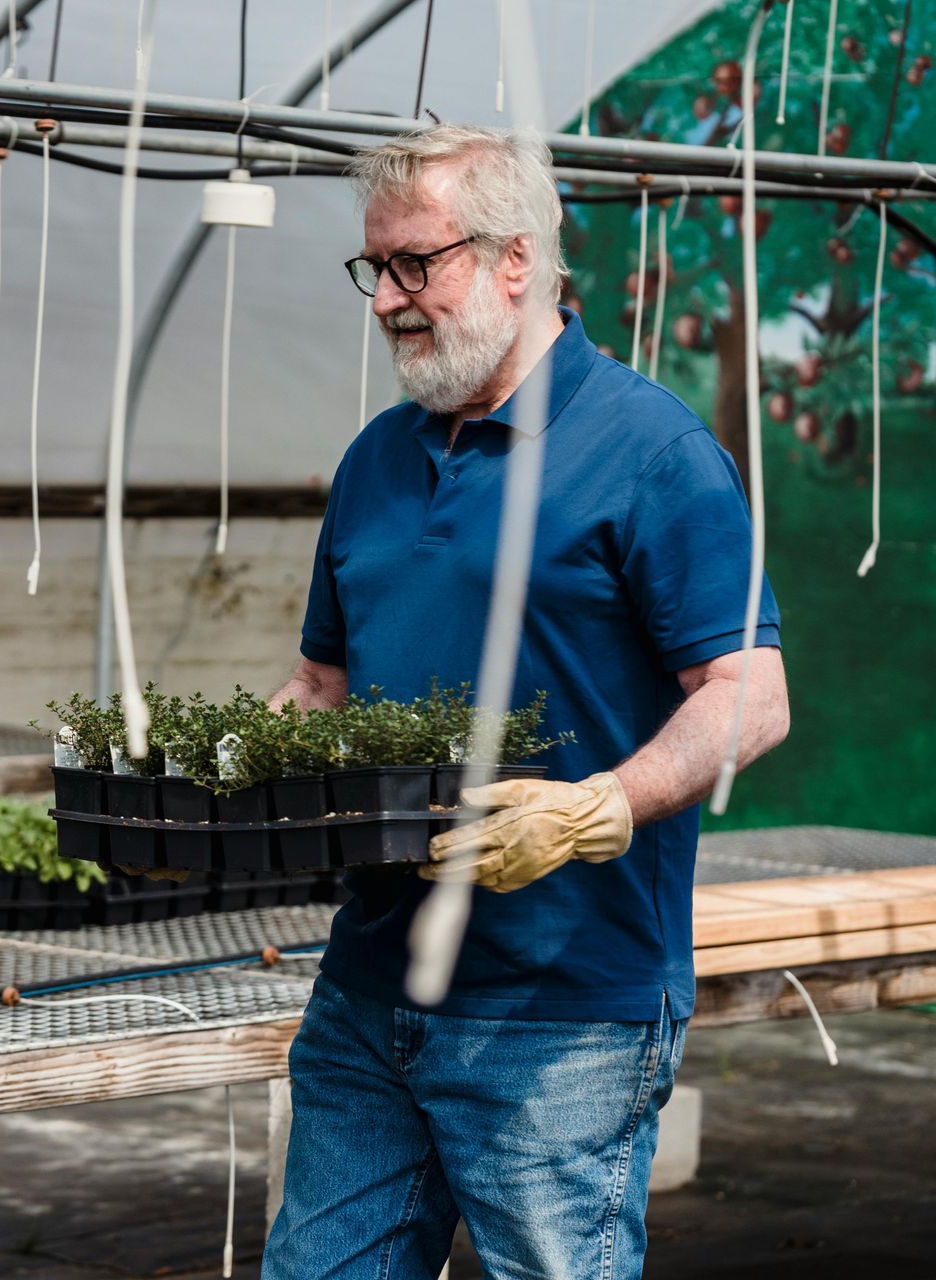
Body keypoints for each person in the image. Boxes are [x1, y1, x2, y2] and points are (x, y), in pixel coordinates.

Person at [263, 125, 788, 1280]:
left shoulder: (652, 449)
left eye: (418, 266)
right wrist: (228, 780)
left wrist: (601, 802)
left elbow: (751, 694)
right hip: (368, 986)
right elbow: (322, 685)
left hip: (562, 1006)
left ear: (516, 259)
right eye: (375, 269)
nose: (388, 301)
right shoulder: (376, 461)